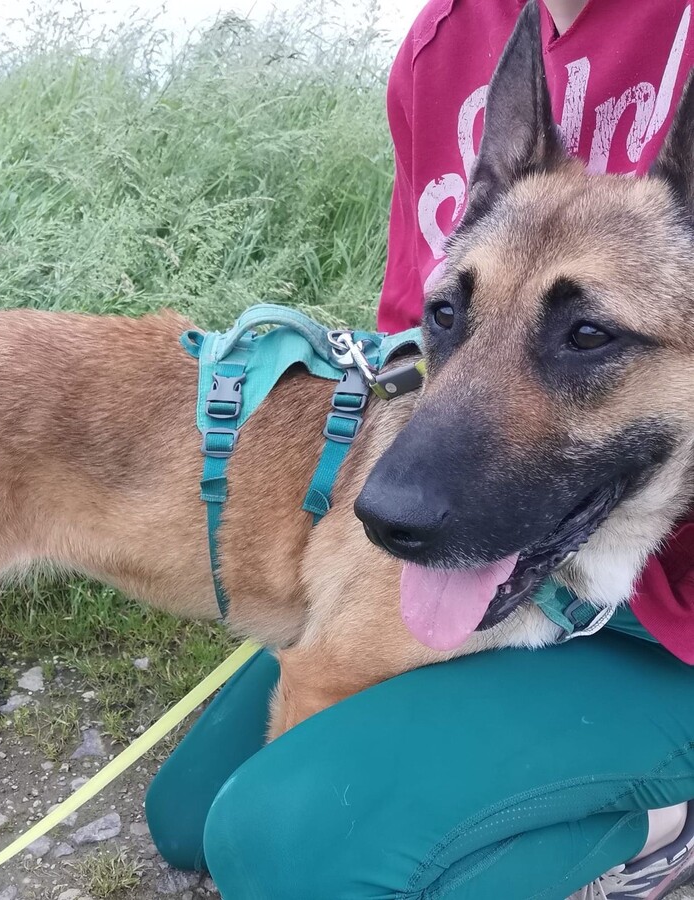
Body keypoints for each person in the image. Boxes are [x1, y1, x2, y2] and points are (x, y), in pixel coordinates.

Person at [145, 1, 694, 897]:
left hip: (676, 628)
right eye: (458, 313)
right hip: (566, 568)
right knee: (189, 822)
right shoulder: (448, 40)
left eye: (588, 337)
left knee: (287, 852)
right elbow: (411, 328)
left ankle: (659, 820)